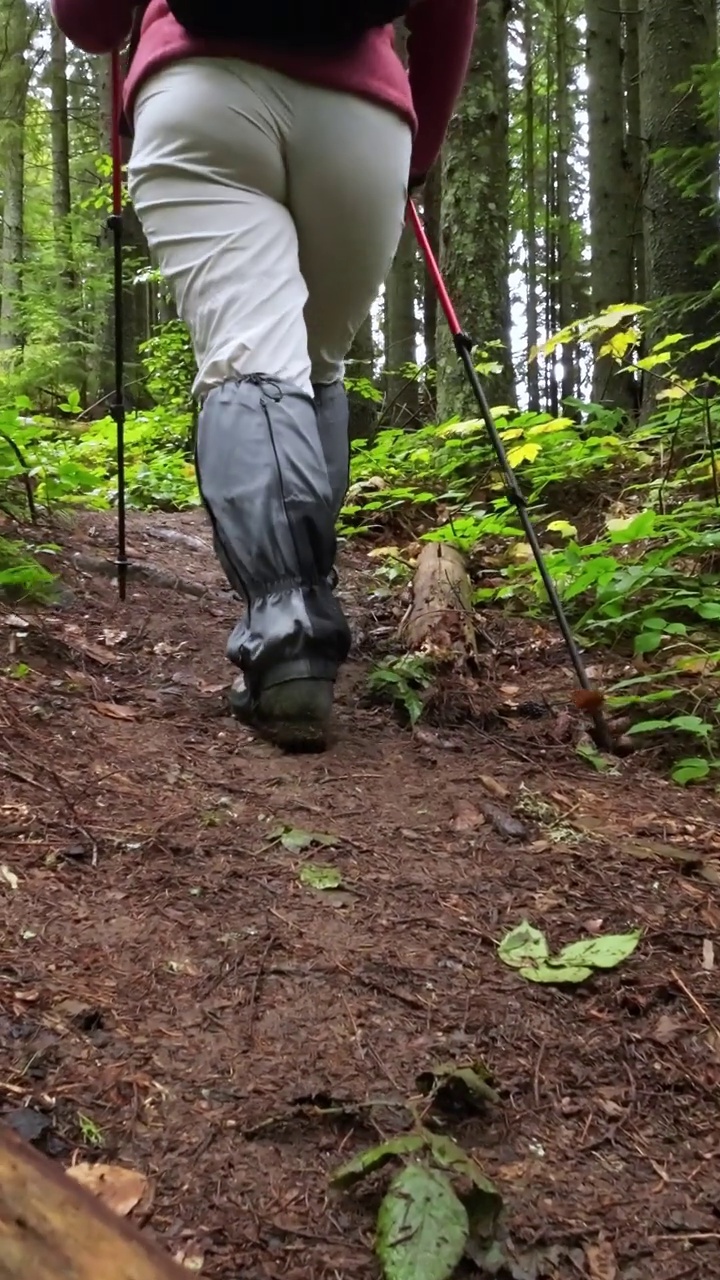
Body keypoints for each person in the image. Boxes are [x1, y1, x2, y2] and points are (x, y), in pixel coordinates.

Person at [51, 0, 476, 752]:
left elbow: (90, 21)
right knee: (315, 369)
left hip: (198, 95)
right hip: (364, 118)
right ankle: (305, 623)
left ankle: (289, 647)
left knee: (250, 354)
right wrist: (414, 151)